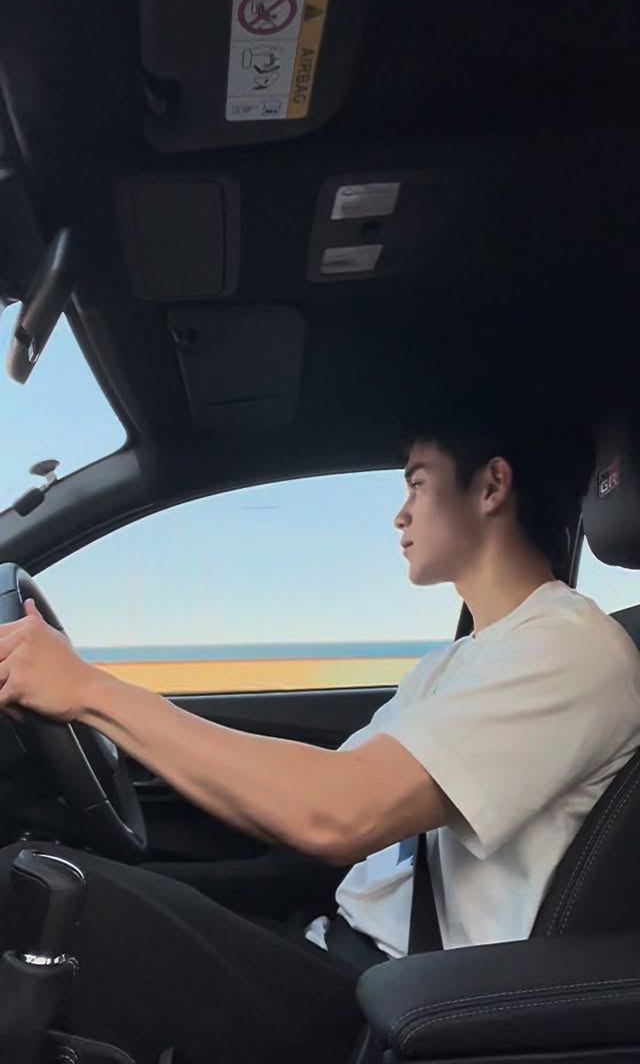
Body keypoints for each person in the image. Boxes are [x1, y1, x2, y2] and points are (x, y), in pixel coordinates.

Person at [0, 405, 638, 1064]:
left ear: (492, 485)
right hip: (341, 950)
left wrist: (90, 692)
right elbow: (302, 799)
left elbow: (335, 814)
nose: (400, 515)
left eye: (419, 483)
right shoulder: (459, 662)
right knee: (53, 876)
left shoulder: (567, 650)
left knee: (24, 893)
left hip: (400, 1008)